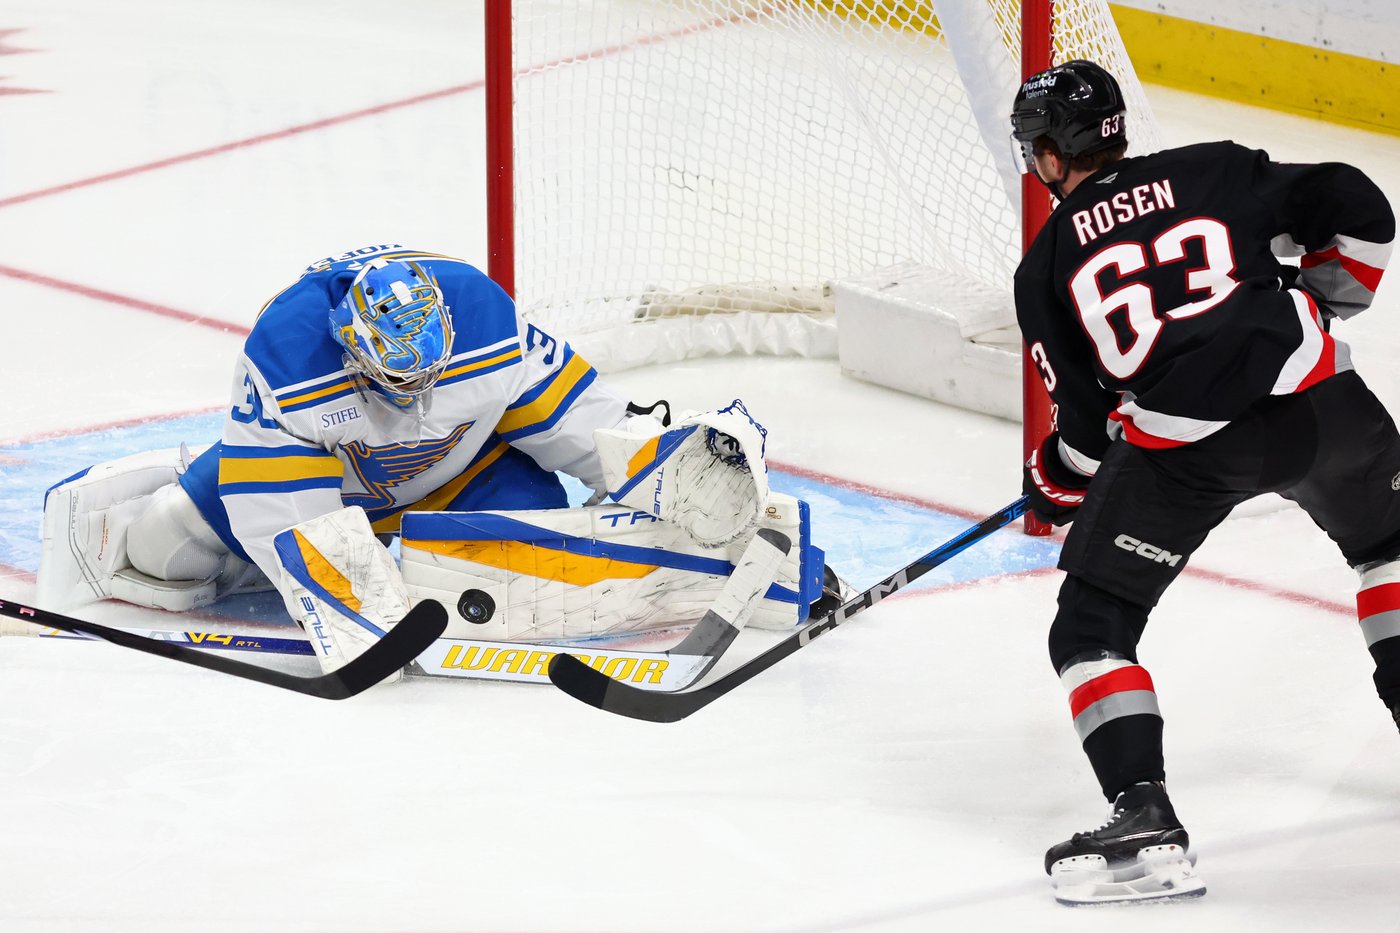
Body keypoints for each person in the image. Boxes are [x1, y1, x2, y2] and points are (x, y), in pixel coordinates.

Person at [37, 245, 835, 674]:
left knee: (519, 578)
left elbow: (589, 427)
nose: (413, 395)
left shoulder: (485, 320)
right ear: (351, 346)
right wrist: (350, 604)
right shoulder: (287, 353)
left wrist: (673, 471)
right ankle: (154, 530)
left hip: (464, 472)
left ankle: (740, 563)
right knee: (162, 547)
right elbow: (283, 511)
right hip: (328, 484)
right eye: (392, 378)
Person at [1010, 60, 1398, 904]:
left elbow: (1082, 433)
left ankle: (1143, 813)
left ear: (1048, 156)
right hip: (1324, 406)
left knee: (1092, 624)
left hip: (1191, 452)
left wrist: (1053, 482)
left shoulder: (1043, 269)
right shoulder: (1213, 168)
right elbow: (1362, 207)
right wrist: (1327, 301)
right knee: (1390, 550)